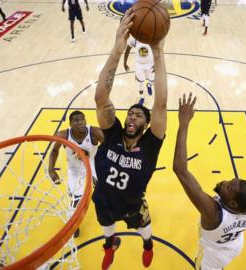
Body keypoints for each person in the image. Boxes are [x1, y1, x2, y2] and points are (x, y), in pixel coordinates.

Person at [92, 8, 168, 270]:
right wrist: (117, 49)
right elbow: (101, 97)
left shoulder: (149, 146)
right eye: (130, 114)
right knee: (106, 227)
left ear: (147, 125)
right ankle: (109, 245)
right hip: (103, 197)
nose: (132, 117)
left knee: (145, 228)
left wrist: (157, 51)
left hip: (133, 204)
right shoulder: (113, 133)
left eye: (139, 116)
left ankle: (148, 246)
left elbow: (160, 104)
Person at [173, 92, 246, 270]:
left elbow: (180, 170)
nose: (225, 181)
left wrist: (184, 123)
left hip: (214, 255)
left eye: (229, 186)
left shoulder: (213, 213)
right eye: (232, 180)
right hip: (235, 244)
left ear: (233, 202)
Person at [48, 110, 104, 237]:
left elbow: (109, 148)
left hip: (93, 166)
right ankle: (74, 224)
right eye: (75, 120)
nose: (80, 122)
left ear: (85, 120)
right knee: (75, 201)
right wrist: (51, 169)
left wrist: (104, 164)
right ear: (70, 123)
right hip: (75, 171)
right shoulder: (63, 135)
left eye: (82, 119)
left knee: (106, 192)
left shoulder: (95, 132)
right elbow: (54, 151)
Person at [123, 35, 154, 105]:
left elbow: (157, 49)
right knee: (140, 82)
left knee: (152, 80)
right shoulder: (134, 38)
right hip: (139, 65)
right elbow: (127, 50)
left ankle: (149, 85)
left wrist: (157, 63)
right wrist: (124, 63)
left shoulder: (152, 35)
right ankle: (142, 97)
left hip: (150, 64)